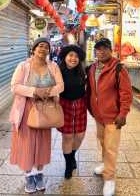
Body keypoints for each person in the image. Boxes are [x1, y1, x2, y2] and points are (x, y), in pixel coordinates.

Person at [9, 37, 64, 193]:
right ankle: (28, 175)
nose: (43, 49)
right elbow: (14, 86)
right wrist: (34, 91)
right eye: (40, 46)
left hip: (45, 109)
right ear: (33, 49)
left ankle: (39, 173)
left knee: (42, 142)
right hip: (26, 109)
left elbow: (61, 85)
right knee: (26, 143)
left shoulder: (53, 66)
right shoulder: (23, 66)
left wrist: (47, 92)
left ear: (49, 50)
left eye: (46, 47)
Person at [86, 38, 133, 196]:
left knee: (111, 148)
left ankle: (110, 178)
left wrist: (123, 113)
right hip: (98, 115)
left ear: (110, 50)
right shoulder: (92, 68)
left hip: (113, 116)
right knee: (102, 142)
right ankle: (105, 165)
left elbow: (126, 93)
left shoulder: (119, 68)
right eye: (98, 49)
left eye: (105, 48)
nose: (101, 51)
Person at [57, 45, 87, 179]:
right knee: (67, 136)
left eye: (76, 56)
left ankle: (72, 155)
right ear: (65, 57)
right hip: (64, 105)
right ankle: (69, 164)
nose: (73, 58)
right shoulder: (57, 71)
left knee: (80, 135)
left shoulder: (83, 71)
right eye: (70, 55)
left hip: (80, 104)